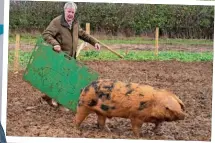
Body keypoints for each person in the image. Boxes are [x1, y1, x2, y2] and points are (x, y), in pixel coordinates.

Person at [41, 2, 101, 110]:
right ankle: (61, 104)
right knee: (64, 80)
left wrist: (94, 42)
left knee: (61, 79)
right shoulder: (57, 22)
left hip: (71, 57)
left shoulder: (75, 23)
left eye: (73, 12)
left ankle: (47, 96)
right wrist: (55, 44)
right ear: (65, 11)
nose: (71, 14)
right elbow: (46, 34)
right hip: (60, 56)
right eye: (69, 12)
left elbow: (83, 34)